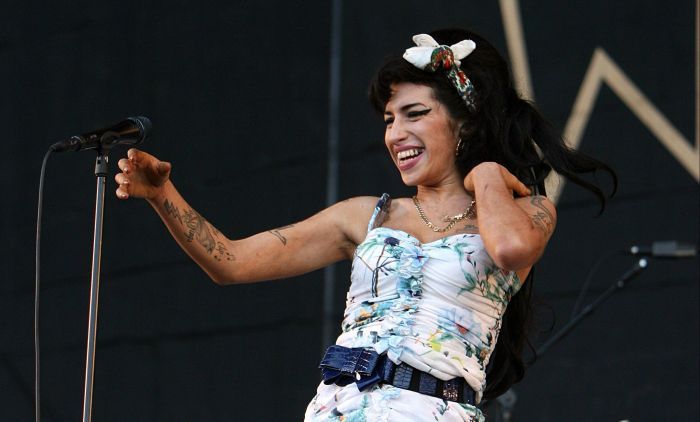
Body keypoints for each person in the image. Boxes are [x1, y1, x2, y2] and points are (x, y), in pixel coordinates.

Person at [115, 28, 614, 421]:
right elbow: (232, 262)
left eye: (414, 114)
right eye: (389, 120)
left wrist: (485, 174)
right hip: (340, 408)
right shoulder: (368, 215)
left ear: (465, 121)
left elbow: (508, 249)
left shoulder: (528, 211)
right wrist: (162, 195)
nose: (396, 134)